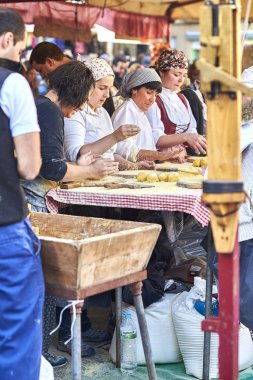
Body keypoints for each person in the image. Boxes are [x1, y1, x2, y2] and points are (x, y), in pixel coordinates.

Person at [21, 60, 119, 364]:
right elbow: (50, 166)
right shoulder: (48, 110)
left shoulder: (39, 105)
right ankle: (41, 352)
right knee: (46, 278)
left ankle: (40, 350)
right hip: (32, 201)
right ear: (76, 91)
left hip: (25, 198)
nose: (77, 110)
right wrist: (89, 172)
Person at [0, 8, 44, 380]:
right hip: (4, 226)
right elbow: (31, 167)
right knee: (15, 336)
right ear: (6, 40)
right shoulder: (12, 84)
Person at [64, 58, 155, 170]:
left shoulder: (103, 113)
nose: (107, 95)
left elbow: (110, 155)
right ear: (86, 86)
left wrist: (132, 166)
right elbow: (75, 155)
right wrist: (115, 137)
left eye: (109, 89)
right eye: (102, 88)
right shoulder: (75, 112)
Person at [111, 67, 185, 162]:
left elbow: (146, 146)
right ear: (134, 89)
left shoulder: (139, 111)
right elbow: (124, 150)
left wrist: (166, 157)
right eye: (149, 92)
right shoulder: (127, 110)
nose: (153, 99)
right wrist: (158, 155)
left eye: (155, 95)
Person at [146, 50, 207, 157]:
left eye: (184, 75)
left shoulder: (182, 98)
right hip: (159, 159)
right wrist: (186, 137)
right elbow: (155, 138)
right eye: (176, 74)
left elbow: (192, 130)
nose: (181, 80)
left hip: (182, 158)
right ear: (161, 72)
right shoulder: (154, 99)